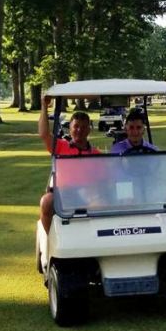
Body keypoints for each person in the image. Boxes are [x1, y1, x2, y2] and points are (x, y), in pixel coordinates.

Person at [38, 96, 100, 233]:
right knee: (46, 201)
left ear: (89, 130)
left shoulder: (96, 153)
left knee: (101, 204)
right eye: (76, 126)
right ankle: (51, 240)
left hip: (87, 193)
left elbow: (103, 182)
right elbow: (44, 134)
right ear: (70, 128)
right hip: (62, 192)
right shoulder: (60, 146)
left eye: (83, 127)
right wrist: (44, 107)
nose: (79, 130)